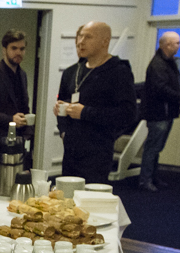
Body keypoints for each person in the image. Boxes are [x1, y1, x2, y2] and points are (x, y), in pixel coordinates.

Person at [53, 21, 135, 183]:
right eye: (80, 36)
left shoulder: (118, 72)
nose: (80, 42)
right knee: (66, 194)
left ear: (105, 41)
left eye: (88, 37)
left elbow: (128, 114)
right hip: (71, 151)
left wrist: (85, 113)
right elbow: (62, 101)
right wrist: (63, 130)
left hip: (97, 152)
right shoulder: (72, 71)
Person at [139, 30, 180, 192]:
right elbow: (160, 88)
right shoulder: (158, 64)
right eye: (177, 43)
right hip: (158, 113)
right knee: (152, 148)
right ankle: (145, 180)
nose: (179, 46)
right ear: (168, 45)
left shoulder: (168, 62)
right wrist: (178, 97)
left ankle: (152, 177)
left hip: (165, 112)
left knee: (157, 148)